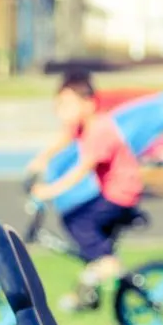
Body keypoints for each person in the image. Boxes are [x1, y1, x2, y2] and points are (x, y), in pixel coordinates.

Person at [25, 71, 144, 312]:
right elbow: (65, 138)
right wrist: (41, 159)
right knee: (80, 226)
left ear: (89, 103)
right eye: (59, 104)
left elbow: (82, 170)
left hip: (120, 195)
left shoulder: (100, 130)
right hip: (111, 191)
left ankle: (105, 264)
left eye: (67, 104)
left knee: (78, 220)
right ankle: (94, 276)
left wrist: (49, 191)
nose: (61, 111)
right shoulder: (83, 125)